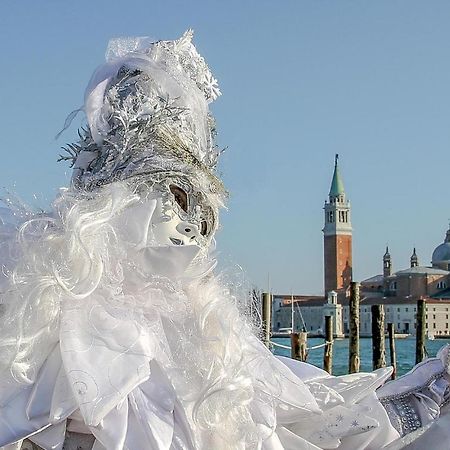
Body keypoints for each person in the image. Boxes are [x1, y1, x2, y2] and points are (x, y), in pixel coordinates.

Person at [0, 30, 449, 450]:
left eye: (193, 211)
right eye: (172, 201)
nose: (187, 232)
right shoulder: (72, 319)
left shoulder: (198, 332)